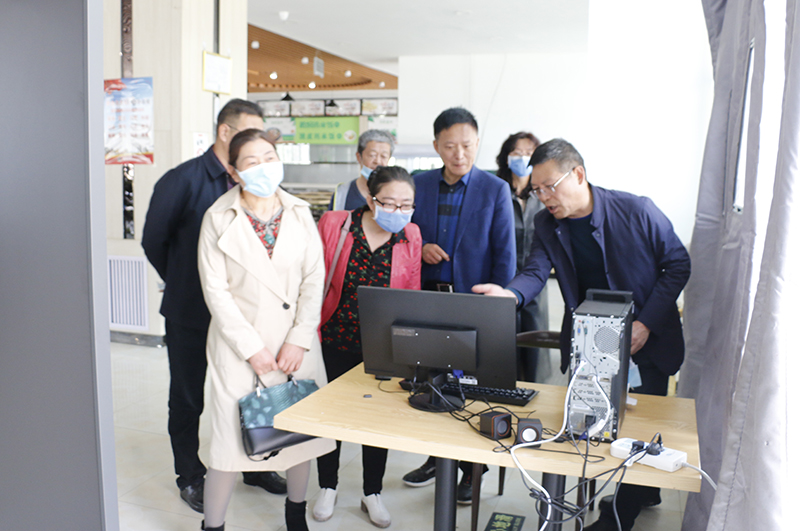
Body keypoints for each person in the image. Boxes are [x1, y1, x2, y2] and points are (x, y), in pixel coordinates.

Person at [473, 139, 691, 531]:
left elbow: (678, 264)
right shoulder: (547, 224)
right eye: (536, 190)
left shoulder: (636, 210)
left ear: (578, 174)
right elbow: (536, 271)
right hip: (590, 343)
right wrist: (510, 294)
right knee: (594, 423)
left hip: (645, 338)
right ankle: (641, 491)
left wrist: (645, 323)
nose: (543, 197)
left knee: (640, 427)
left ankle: (618, 516)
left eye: (549, 187)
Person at [142, 99, 288, 513]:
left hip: (247, 316)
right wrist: (186, 281)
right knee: (188, 397)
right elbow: (154, 240)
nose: (257, 142)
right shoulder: (183, 179)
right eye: (249, 132)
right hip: (191, 312)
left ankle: (256, 465)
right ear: (226, 132)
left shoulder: (257, 182)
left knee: (250, 392)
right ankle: (190, 476)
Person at [197, 129, 335, 531]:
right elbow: (216, 292)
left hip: (295, 345)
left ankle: (295, 515)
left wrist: (299, 338)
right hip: (239, 348)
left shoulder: (299, 212)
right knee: (228, 445)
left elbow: (314, 279)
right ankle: (213, 525)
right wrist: (252, 350)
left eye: (269, 157)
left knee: (299, 439)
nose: (264, 167)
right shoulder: (217, 218)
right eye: (252, 161)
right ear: (234, 172)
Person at [402, 107, 516, 504]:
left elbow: (505, 252)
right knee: (432, 381)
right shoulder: (419, 184)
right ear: (436, 146)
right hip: (429, 298)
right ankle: (436, 458)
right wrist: (421, 246)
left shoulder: (494, 188)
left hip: (474, 301)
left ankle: (473, 470)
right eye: (450, 146)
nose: (459, 154)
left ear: (477, 143)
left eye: (467, 145)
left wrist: (498, 305)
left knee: (472, 387)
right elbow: (403, 234)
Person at [313, 166, 422, 528]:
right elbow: (312, 276)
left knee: (376, 419)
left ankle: (371, 492)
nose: (398, 211)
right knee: (330, 415)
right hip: (333, 336)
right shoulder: (336, 224)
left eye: (406, 204)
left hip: (381, 345)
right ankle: (327, 485)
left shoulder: (410, 234)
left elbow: (411, 293)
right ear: (370, 199)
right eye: (389, 202)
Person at [495, 132, 549, 382]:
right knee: (503, 339)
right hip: (502, 279)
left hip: (535, 279)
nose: (523, 158)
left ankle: (536, 386)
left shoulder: (543, 194)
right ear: (506, 157)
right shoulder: (497, 191)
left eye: (529, 153)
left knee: (535, 340)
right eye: (517, 153)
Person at [329, 129, 394, 210]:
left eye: (383, 156)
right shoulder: (342, 192)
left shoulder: (395, 193)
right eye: (372, 155)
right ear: (359, 157)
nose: (377, 161)